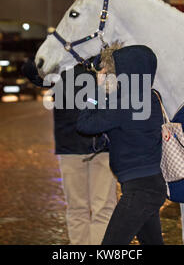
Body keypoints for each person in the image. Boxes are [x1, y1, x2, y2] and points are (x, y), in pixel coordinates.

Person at [76, 45, 166, 245]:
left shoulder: (124, 103)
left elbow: (85, 124)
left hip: (140, 191)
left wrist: (97, 90)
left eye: (115, 70)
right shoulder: (149, 97)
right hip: (149, 187)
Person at [23, 58, 117, 245]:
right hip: (76, 145)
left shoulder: (100, 60)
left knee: (98, 208)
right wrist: (46, 55)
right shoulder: (61, 63)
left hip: (99, 145)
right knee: (87, 208)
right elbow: (31, 71)